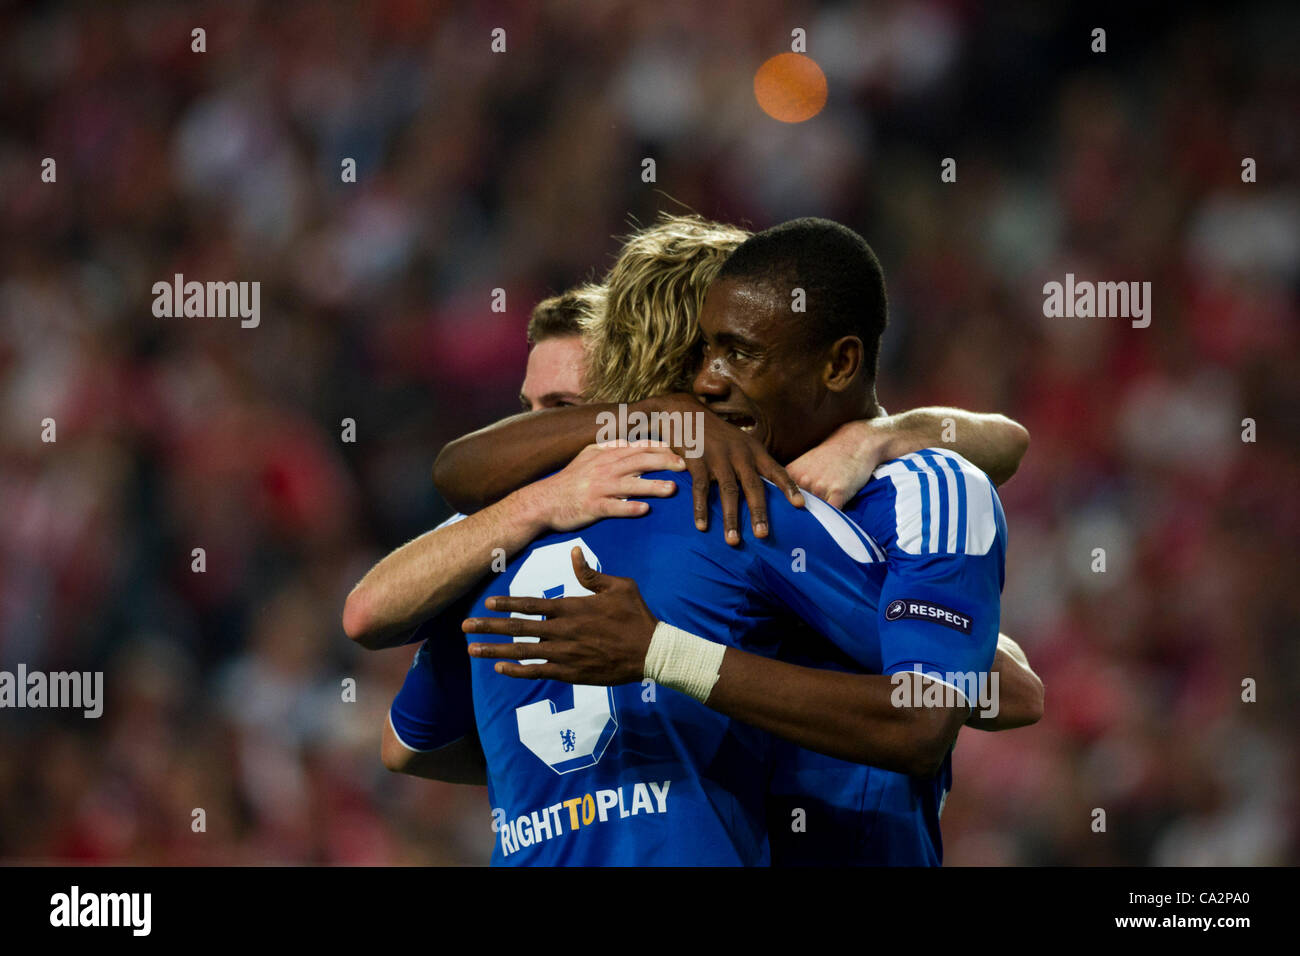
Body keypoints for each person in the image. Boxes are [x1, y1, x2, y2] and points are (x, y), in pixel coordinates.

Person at [348, 215, 1039, 863]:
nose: (713, 379)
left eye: (735, 350)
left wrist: (886, 433)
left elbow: (983, 697)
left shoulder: (879, 490)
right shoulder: (583, 494)